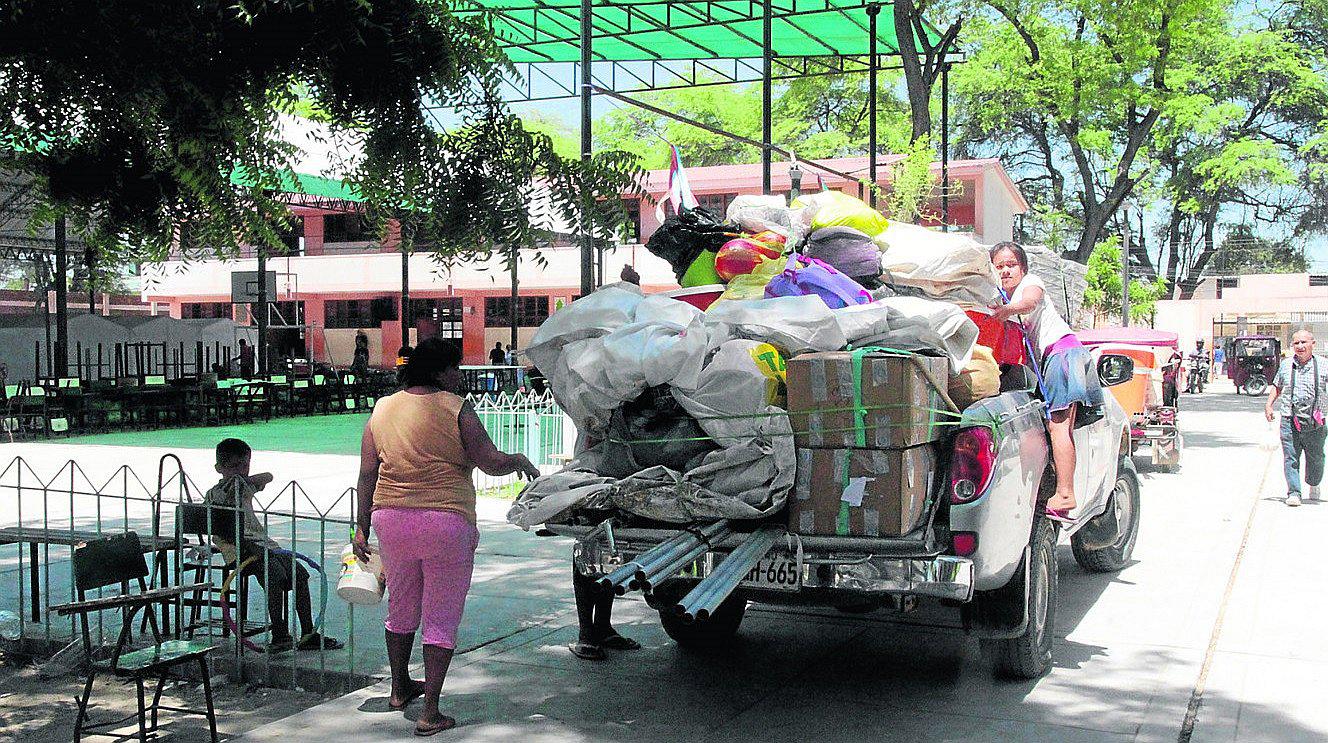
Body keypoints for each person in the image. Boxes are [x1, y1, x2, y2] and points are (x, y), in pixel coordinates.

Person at [354, 338, 539, 736]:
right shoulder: (457, 409)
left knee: (401, 606)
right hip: (445, 521)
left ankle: (399, 688)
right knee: (441, 614)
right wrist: (519, 460)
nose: (459, 375)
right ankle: (430, 712)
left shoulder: (382, 408)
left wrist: (361, 526)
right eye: (455, 368)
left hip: (391, 519)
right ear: (439, 372)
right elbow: (489, 462)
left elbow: (368, 472)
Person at [989, 242, 1103, 520]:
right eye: (999, 266)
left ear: (1023, 268)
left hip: (1062, 353)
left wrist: (1004, 311)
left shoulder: (1031, 283)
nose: (1005, 270)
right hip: (1065, 354)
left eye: (1011, 264)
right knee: (1060, 426)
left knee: (1058, 426)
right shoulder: (1004, 297)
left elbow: (1031, 301)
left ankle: (1065, 493)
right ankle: (1062, 491)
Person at [204, 438, 341, 653]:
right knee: (274, 575)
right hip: (239, 551)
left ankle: (307, 633)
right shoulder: (215, 494)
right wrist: (249, 547)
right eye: (233, 467)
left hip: (264, 545)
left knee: (299, 572)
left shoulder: (243, 487)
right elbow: (221, 530)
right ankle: (280, 634)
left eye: (244, 465)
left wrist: (243, 479)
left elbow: (268, 476)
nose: (240, 470)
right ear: (218, 468)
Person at [1264, 329, 1328, 507]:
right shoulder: (1285, 365)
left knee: (1316, 457)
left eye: (1303, 342)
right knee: (1290, 457)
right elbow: (1277, 386)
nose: (1300, 346)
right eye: (1296, 343)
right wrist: (1269, 405)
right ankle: (1294, 492)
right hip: (1289, 418)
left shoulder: (1324, 364)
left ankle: (1314, 483)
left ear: (1312, 344)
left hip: (1317, 419)